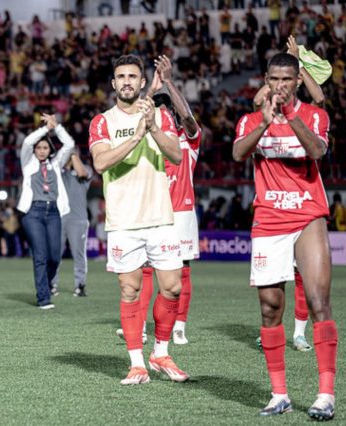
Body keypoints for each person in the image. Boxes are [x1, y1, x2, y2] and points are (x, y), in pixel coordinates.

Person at [232, 53, 337, 420]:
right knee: (270, 308)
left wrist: (290, 116)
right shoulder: (250, 119)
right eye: (274, 79)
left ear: (297, 81)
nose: (280, 86)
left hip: (307, 214)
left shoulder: (313, 116)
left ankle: (325, 394)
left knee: (318, 300)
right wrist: (263, 124)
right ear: (266, 79)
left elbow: (318, 150)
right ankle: (280, 395)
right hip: (268, 220)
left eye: (287, 80)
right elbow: (238, 152)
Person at [89, 54, 187, 385]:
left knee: (172, 288)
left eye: (133, 76)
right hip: (123, 221)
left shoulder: (159, 115)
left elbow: (175, 154)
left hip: (160, 216)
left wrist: (153, 128)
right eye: (121, 76)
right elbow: (101, 163)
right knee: (130, 289)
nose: (127, 81)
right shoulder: (102, 121)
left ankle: (160, 353)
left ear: (142, 82)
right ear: (114, 83)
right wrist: (135, 136)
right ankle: (136, 363)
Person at [124, 55, 202, 345]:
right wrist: (149, 94)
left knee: (181, 270)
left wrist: (167, 82)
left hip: (181, 213)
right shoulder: (147, 140)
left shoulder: (188, 140)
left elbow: (189, 119)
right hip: (151, 212)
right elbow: (131, 118)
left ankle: (179, 325)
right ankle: (142, 326)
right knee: (144, 269)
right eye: (156, 111)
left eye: (163, 110)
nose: (161, 115)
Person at [18, 113, 74, 309]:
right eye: (38, 148)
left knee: (54, 257)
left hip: (53, 213)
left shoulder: (56, 164)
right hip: (33, 212)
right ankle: (43, 298)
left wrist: (56, 127)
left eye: (45, 147)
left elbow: (69, 144)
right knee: (40, 256)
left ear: (50, 148)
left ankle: (47, 284)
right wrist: (45, 129)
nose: (41, 151)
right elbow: (27, 142)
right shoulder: (28, 162)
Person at [50, 148, 92, 297]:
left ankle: (80, 285)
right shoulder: (58, 171)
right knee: (54, 254)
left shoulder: (85, 169)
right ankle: (51, 284)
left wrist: (73, 153)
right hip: (58, 218)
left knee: (79, 255)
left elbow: (82, 173)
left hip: (78, 219)